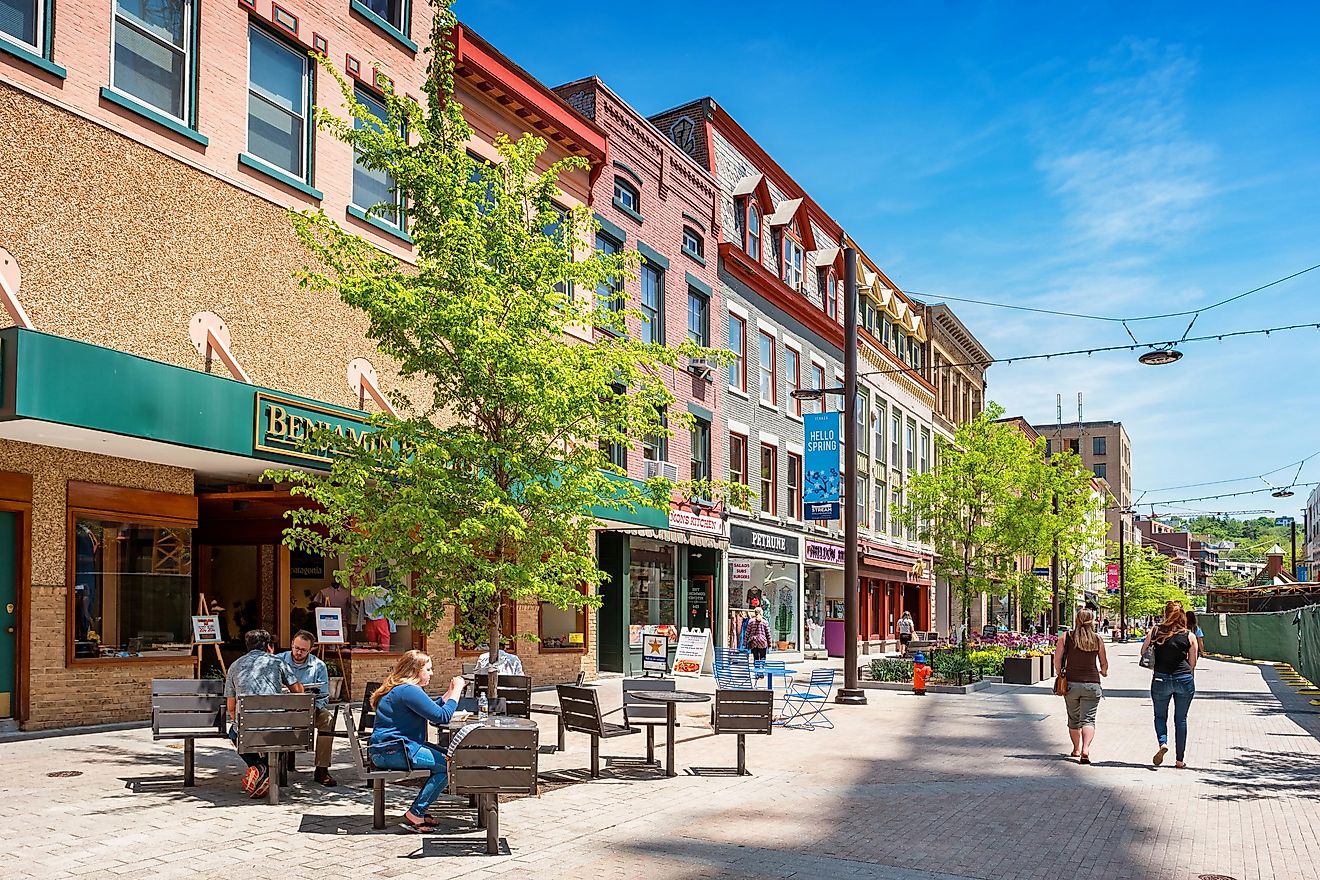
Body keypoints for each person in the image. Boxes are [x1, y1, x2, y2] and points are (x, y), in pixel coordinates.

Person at [368, 651, 466, 832]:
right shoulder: (408, 690)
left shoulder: (404, 689)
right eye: (428, 669)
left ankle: (419, 810)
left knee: (448, 758)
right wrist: (458, 690)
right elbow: (442, 716)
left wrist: (449, 693)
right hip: (392, 752)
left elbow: (432, 709)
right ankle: (416, 812)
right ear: (415, 670)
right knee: (449, 765)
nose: (432, 673)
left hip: (389, 749)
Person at [224, 629, 304, 797]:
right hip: (277, 730)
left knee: (233, 733)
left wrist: (240, 720)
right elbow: (298, 692)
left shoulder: (234, 666)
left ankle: (259, 766)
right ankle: (267, 770)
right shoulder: (277, 662)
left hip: (247, 730)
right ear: (269, 646)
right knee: (285, 734)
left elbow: (231, 707)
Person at [1142, 600, 1198, 769]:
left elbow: (1143, 652)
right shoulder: (1189, 636)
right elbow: (1193, 663)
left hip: (1160, 678)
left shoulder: (1155, 631)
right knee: (1181, 719)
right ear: (1182, 615)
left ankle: (1162, 743)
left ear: (1165, 614)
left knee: (1160, 716)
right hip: (1184, 679)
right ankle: (1180, 760)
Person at [277, 630, 337, 786]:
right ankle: (274, 767)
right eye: (296, 648)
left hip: (310, 709)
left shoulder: (318, 666)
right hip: (281, 710)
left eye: (303, 650)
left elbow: (324, 695)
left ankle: (322, 768)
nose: (298, 652)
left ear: (310, 650)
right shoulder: (278, 661)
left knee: (328, 720)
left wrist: (312, 710)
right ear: (291, 644)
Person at [1053, 608, 1109, 764]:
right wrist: (1103, 671)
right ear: (1092, 621)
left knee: (1074, 718)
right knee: (1088, 719)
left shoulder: (1067, 637)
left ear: (1076, 620)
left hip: (1071, 684)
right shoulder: (1097, 639)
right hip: (1092, 684)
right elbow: (1104, 663)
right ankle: (1086, 749)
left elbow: (1057, 660)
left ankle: (1076, 749)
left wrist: (1060, 673)